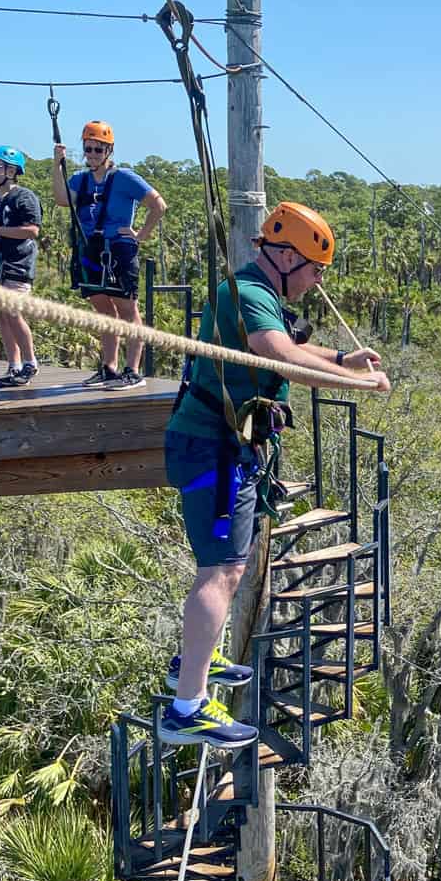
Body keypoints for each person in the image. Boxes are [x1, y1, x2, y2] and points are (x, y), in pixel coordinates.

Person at [159, 202, 390, 747]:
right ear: (285, 256)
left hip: (224, 447)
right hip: (212, 450)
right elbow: (277, 352)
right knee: (223, 570)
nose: (315, 282)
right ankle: (186, 707)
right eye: (313, 269)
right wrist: (351, 382)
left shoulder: (258, 294)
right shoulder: (243, 293)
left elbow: (289, 341)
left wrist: (342, 357)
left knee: (225, 566)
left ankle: (191, 664)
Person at [52, 120, 167, 391]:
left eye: (98, 149)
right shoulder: (81, 179)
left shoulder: (125, 178)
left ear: (109, 150)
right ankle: (109, 367)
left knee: (127, 308)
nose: (92, 154)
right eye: (88, 149)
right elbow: (61, 199)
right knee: (103, 309)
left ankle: (133, 370)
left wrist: (141, 234)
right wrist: (57, 165)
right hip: (90, 248)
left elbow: (158, 205)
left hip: (118, 249)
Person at [0, 146, 42, 388]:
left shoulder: (24, 197)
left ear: (11, 170)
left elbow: (32, 230)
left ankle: (30, 362)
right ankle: (14, 364)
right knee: (2, 315)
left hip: (18, 263)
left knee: (14, 313)